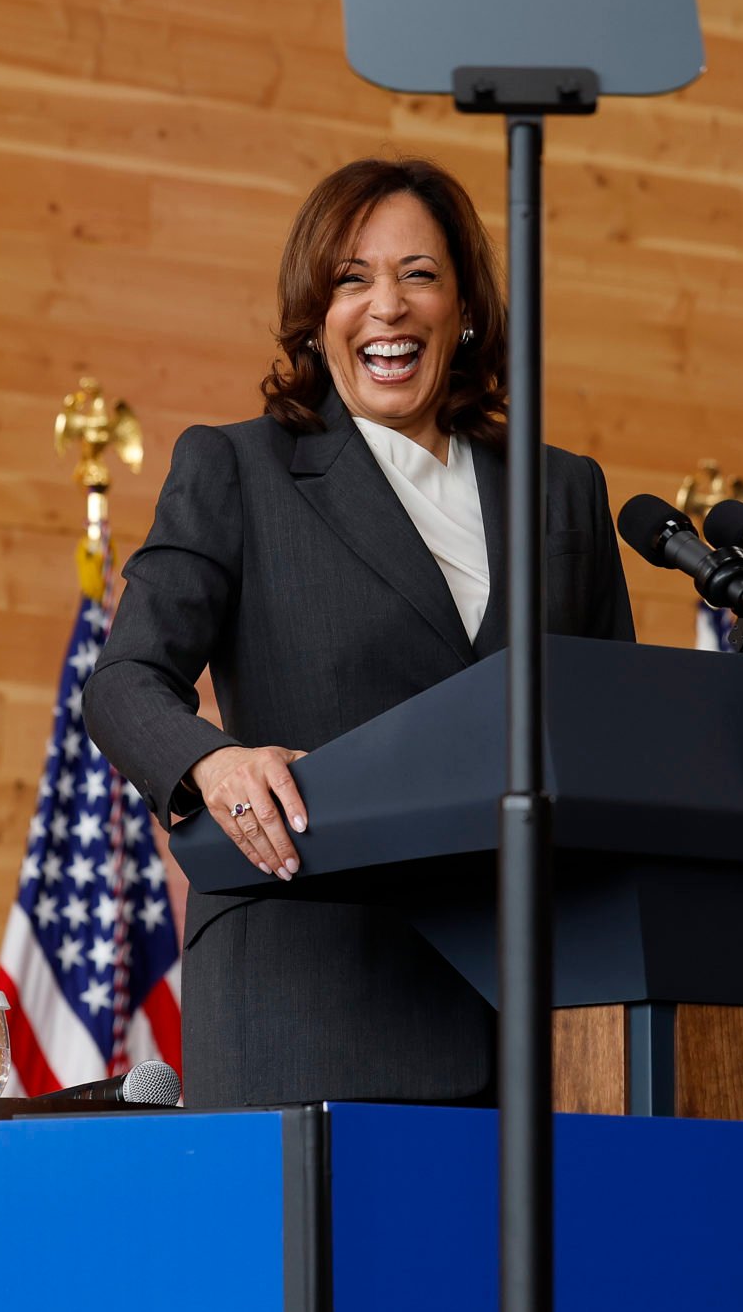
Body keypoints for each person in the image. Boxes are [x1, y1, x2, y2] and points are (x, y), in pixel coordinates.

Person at [83, 156, 635, 1108]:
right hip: (310, 997)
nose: (388, 305)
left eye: (419, 274)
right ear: (314, 315)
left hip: (548, 1028)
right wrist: (214, 764)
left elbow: (613, 729)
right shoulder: (238, 470)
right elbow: (126, 678)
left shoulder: (563, 492)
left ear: (464, 309)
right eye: (352, 278)